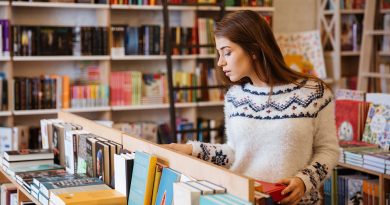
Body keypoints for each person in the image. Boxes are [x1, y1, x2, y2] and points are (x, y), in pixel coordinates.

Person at [166, 10, 340, 205]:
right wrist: (191, 149)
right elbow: (234, 153)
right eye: (219, 53)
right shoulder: (235, 97)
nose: (220, 62)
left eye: (227, 52)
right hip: (244, 199)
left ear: (254, 50)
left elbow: (329, 150)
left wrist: (304, 181)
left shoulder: (314, 92)